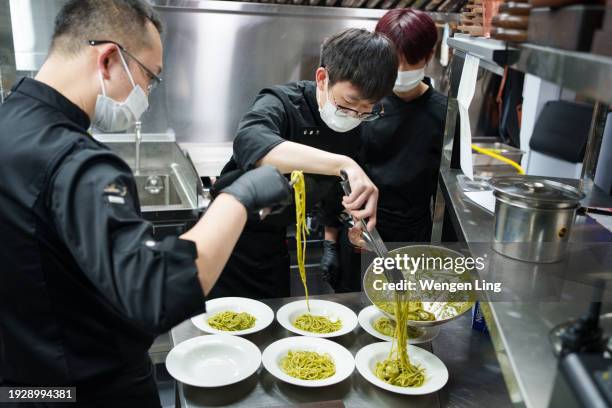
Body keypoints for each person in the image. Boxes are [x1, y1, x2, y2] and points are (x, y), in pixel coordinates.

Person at [0, 1, 290, 406]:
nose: (147, 97)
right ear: (107, 59)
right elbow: (156, 294)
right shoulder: (75, 161)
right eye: (149, 77)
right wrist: (239, 198)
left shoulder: (9, 121)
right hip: (94, 387)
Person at [209, 28, 398, 299]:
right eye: (348, 102)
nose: (355, 114)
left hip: (273, 238)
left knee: (273, 320)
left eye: (368, 108)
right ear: (322, 78)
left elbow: (335, 191)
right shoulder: (283, 102)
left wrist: (350, 225)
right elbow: (250, 142)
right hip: (225, 231)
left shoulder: (357, 123)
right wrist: (344, 163)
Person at [325, 9, 448, 292]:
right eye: (395, 63)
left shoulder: (445, 116)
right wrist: (330, 239)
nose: (402, 72)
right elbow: (336, 172)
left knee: (401, 317)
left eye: (412, 62)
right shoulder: (361, 104)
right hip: (356, 234)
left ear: (429, 56)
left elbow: (448, 198)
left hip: (411, 243)